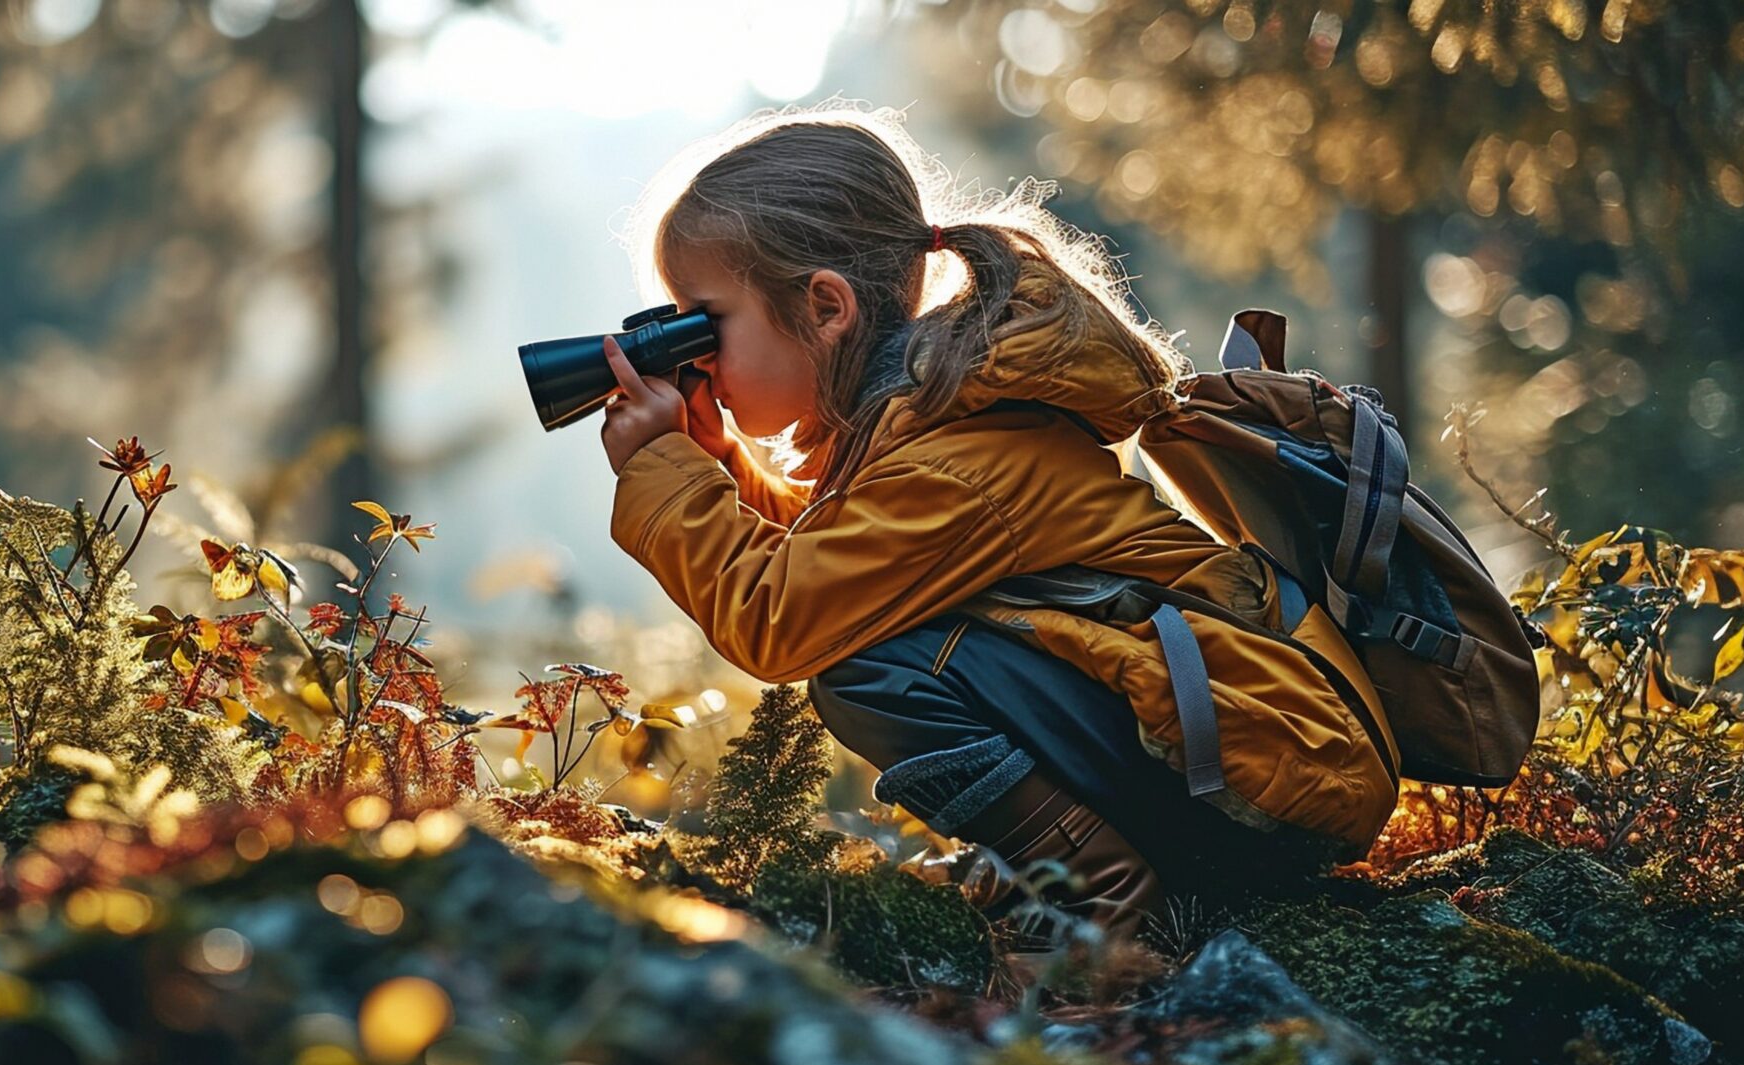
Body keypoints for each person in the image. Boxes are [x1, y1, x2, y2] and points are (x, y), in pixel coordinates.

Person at [595, 107, 1399, 943]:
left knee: (870, 668)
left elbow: (785, 620)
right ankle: (1060, 873)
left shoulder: (959, 453)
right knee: (883, 640)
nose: (691, 356)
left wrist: (662, 468)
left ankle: (1109, 906)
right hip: (1246, 756)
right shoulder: (929, 416)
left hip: (1268, 779)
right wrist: (717, 460)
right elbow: (842, 565)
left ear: (826, 307)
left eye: (704, 321)